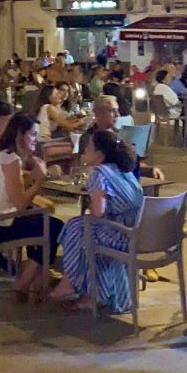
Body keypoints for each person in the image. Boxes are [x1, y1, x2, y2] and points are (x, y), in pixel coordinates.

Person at [0, 113, 63, 297]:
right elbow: (19, 204)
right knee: (54, 226)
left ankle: (37, 278)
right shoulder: (10, 160)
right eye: (33, 134)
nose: (36, 139)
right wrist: (39, 180)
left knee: (40, 218)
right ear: (20, 135)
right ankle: (24, 281)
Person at [48, 129, 144, 310]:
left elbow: (98, 213)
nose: (85, 151)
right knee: (81, 228)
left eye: (88, 147)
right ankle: (92, 293)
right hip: (136, 232)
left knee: (75, 227)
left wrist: (90, 204)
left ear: (99, 154)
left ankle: (70, 283)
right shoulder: (125, 171)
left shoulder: (100, 173)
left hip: (119, 236)